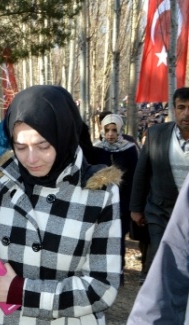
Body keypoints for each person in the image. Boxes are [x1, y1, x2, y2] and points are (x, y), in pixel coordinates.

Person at [0, 85, 122, 324]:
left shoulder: (99, 192)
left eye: (44, 146)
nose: (31, 159)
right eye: (21, 147)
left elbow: (102, 287)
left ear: (64, 135)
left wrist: (21, 292)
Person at [130, 87, 189, 281]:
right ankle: (154, 301)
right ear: (174, 109)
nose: (186, 113)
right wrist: (136, 209)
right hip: (160, 212)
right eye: (181, 107)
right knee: (160, 261)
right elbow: (141, 173)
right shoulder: (156, 134)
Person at [127, 175, 189, 324]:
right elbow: (173, 259)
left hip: (171, 217)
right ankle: (145, 274)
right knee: (155, 252)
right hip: (159, 212)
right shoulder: (153, 149)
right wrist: (135, 207)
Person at [92, 114, 139, 285]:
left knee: (118, 238)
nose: (110, 134)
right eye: (107, 130)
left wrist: (134, 203)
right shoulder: (96, 148)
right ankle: (100, 272)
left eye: (114, 130)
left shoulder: (129, 149)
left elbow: (135, 177)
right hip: (101, 202)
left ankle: (117, 272)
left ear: (120, 130)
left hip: (123, 202)